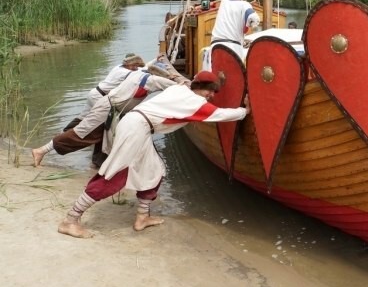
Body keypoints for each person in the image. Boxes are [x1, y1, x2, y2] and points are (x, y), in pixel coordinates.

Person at [57, 70, 250, 239]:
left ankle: (142, 217)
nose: (211, 95)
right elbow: (220, 114)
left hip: (139, 127)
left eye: (214, 91)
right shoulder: (194, 102)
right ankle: (70, 220)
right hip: (136, 128)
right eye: (209, 89)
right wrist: (245, 110)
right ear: (198, 87)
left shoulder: (180, 89)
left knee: (154, 170)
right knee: (116, 174)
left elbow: (182, 89)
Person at [32, 63, 176, 168]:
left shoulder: (138, 73)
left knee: (104, 138)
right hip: (106, 109)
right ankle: (41, 151)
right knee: (81, 133)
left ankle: (98, 164)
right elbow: (174, 86)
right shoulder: (152, 80)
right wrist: (184, 81)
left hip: (111, 109)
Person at [62, 53, 146, 131]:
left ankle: (65, 131)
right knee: (110, 119)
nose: (136, 67)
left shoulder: (119, 66)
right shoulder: (125, 72)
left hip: (94, 93)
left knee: (84, 116)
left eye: (137, 65)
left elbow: (141, 69)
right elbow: (141, 74)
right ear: (127, 64)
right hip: (99, 97)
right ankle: (106, 139)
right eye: (134, 65)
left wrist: (155, 61)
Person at [202, 0, 260, 70]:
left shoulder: (223, 2)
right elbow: (253, 18)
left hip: (215, 46)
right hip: (233, 48)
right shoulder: (245, 5)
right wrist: (253, 26)